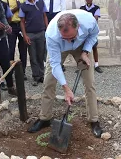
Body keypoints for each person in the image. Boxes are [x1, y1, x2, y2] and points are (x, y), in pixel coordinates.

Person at [27, 9, 103, 138]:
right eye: (65, 38)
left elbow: (93, 35)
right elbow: (56, 65)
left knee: (89, 83)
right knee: (48, 82)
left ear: (78, 27)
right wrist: (66, 88)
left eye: (71, 37)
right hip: (58, 48)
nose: (68, 41)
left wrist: (85, 52)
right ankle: (45, 118)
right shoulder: (51, 35)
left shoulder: (89, 21)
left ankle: (94, 120)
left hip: (81, 45)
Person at [18, 0, 49, 86]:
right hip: (30, 34)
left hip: (41, 32)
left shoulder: (41, 2)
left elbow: (44, 16)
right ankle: (35, 76)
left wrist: (47, 28)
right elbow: (22, 21)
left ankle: (41, 75)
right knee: (33, 56)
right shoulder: (23, 6)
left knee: (41, 55)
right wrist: (25, 35)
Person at [1, 0, 28, 81]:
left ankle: (23, 71)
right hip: (11, 26)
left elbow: (26, 10)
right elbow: (4, 13)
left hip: (21, 26)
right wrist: (16, 8)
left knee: (23, 50)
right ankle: (10, 72)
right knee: (11, 49)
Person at [79, 0, 103, 73]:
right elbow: (80, 19)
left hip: (92, 31)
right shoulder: (81, 8)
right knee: (82, 48)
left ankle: (96, 64)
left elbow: (95, 19)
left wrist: (86, 20)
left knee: (94, 47)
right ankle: (82, 65)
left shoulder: (97, 8)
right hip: (84, 31)